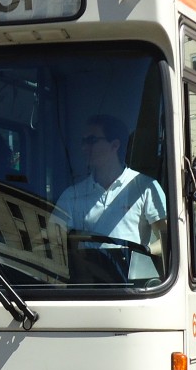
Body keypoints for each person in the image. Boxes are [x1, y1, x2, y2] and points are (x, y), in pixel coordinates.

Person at [52, 114, 167, 266]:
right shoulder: (72, 194)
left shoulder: (145, 187)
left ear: (115, 145)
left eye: (91, 140)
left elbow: (167, 237)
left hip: (130, 281)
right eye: (83, 141)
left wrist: (144, 252)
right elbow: (52, 238)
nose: (84, 148)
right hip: (86, 282)